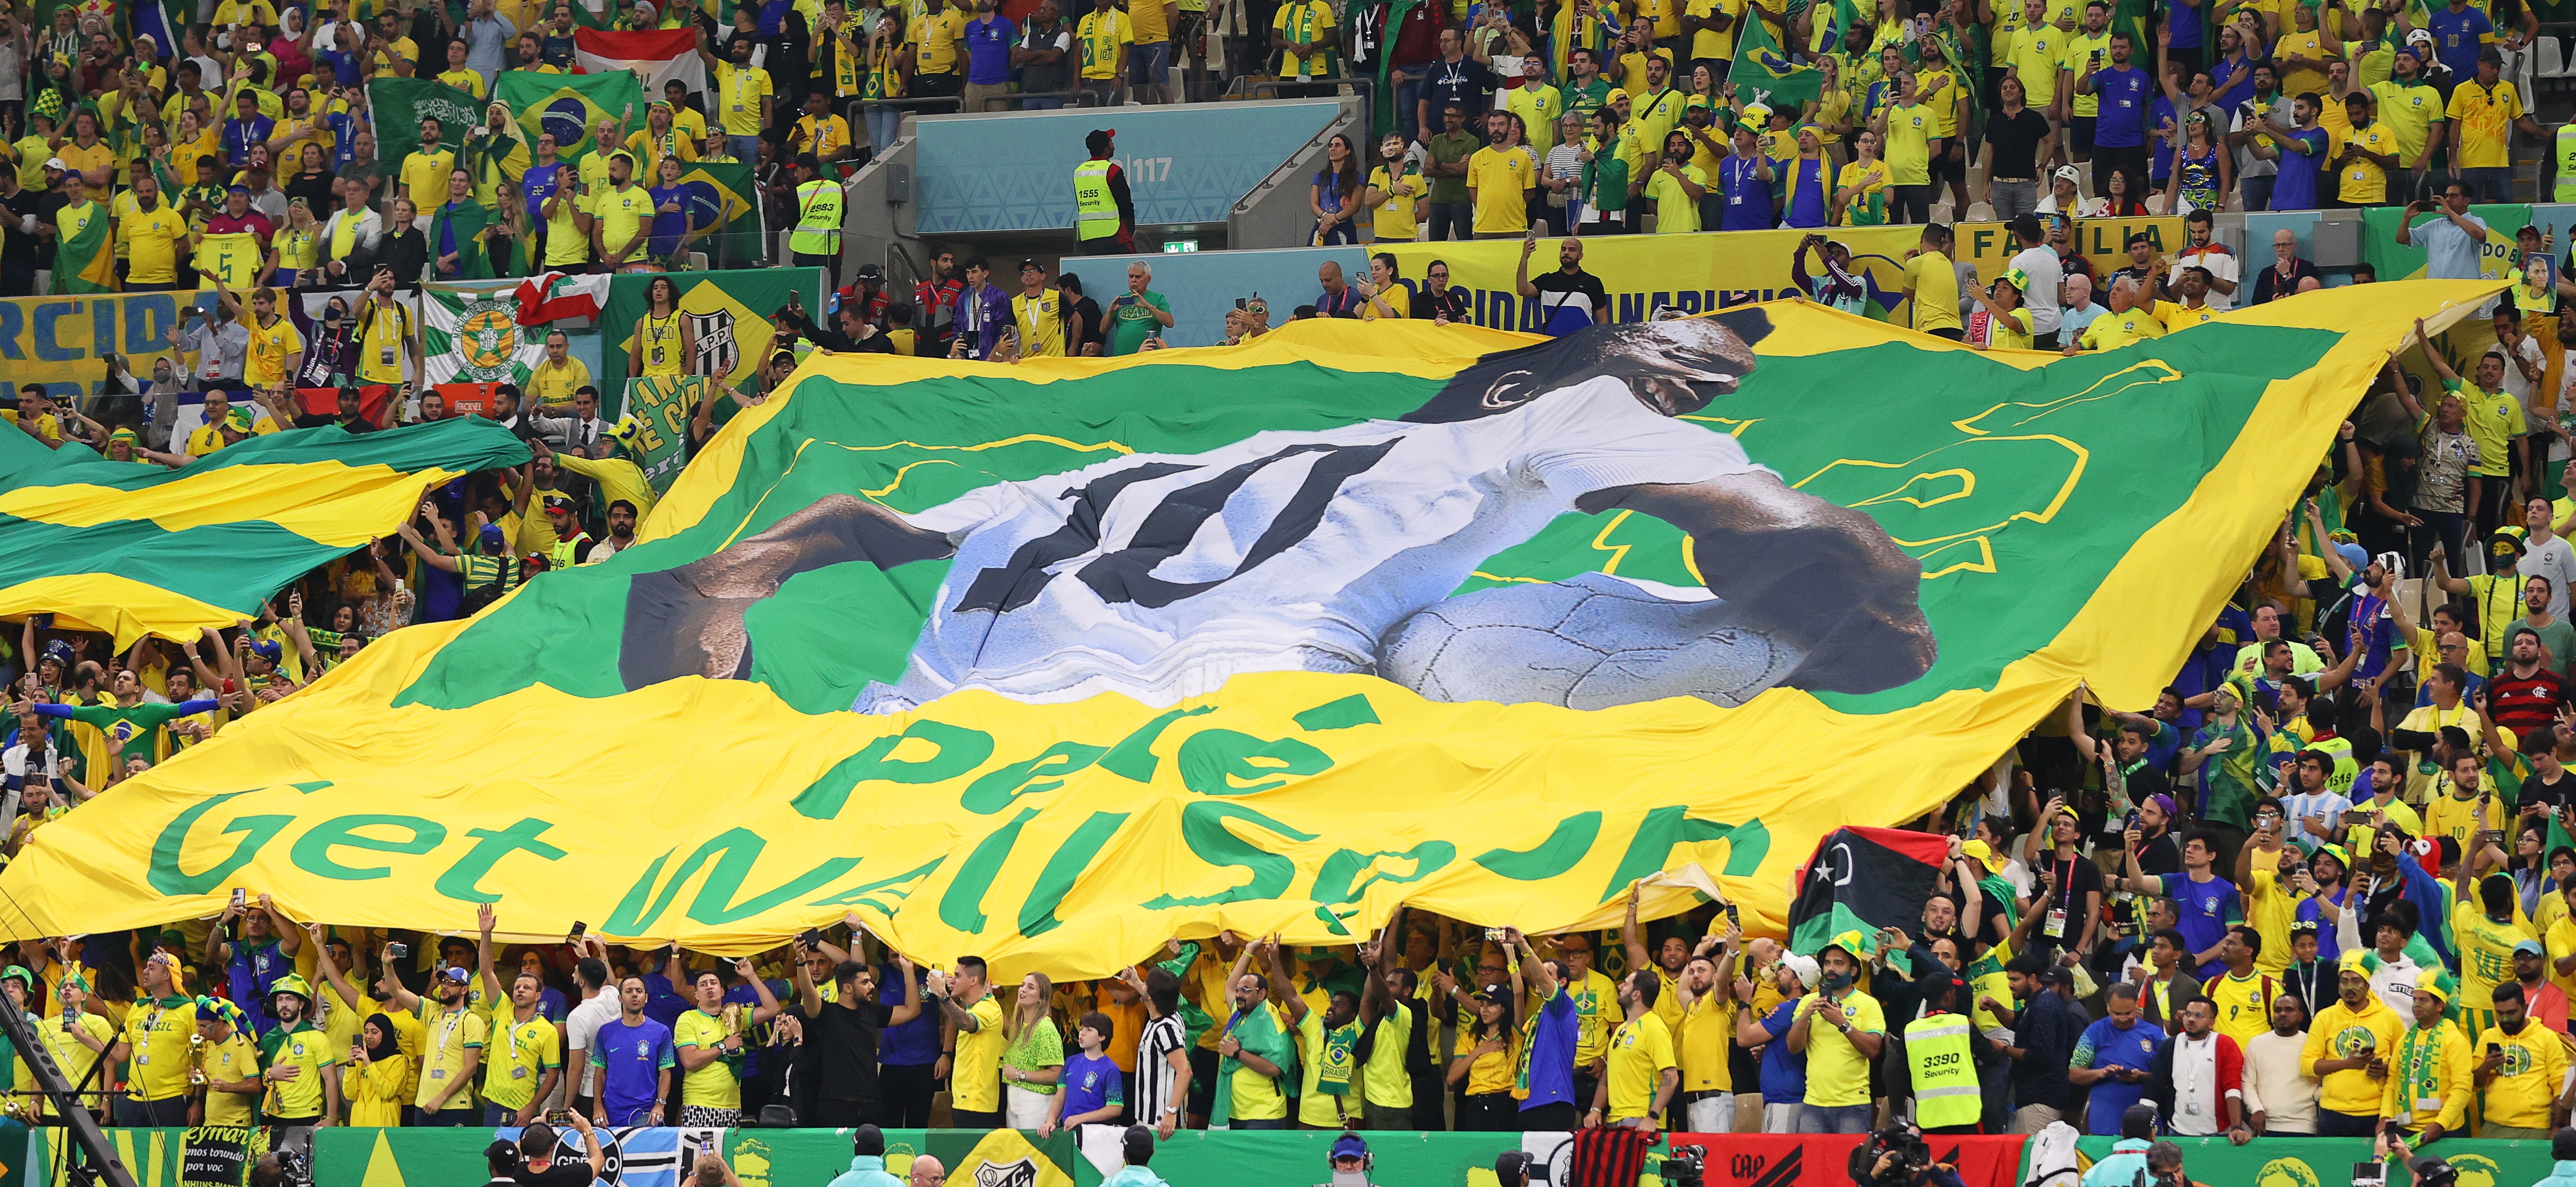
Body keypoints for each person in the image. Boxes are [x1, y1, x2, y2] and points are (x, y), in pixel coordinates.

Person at [588, 976, 676, 1126]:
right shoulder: (606, 1032)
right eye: (629, 991)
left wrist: (660, 1104)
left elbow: (665, 1073)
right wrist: (597, 1106)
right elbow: (600, 1074)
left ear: (646, 998)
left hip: (646, 1114)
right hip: (611, 1115)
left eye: (639, 991)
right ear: (620, 998)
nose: (635, 995)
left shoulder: (661, 1032)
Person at [1074, 129, 1135, 255]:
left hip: (1088, 237)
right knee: (1134, 265)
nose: (1113, 144)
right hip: (1114, 234)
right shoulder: (1112, 170)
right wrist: (1129, 231)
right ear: (1106, 149)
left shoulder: (1078, 172)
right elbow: (1126, 205)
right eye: (1111, 141)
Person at [1901, 223, 1962, 341]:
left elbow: (1909, 295)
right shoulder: (1947, 263)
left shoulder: (1914, 263)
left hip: (1931, 326)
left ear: (1921, 239)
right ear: (1942, 241)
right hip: (1955, 327)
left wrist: (1909, 263)